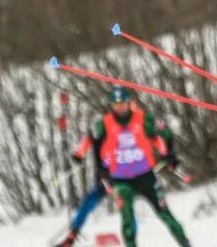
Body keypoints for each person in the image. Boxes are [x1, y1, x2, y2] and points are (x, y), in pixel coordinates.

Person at [69, 88, 188, 247]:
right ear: (111, 105)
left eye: (123, 104)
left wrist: (169, 154)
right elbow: (90, 138)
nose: (120, 108)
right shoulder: (104, 123)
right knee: (127, 219)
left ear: (129, 103)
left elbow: (165, 134)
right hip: (121, 180)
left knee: (165, 214)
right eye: (116, 104)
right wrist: (79, 154)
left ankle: (185, 243)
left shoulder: (144, 119)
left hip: (145, 176)